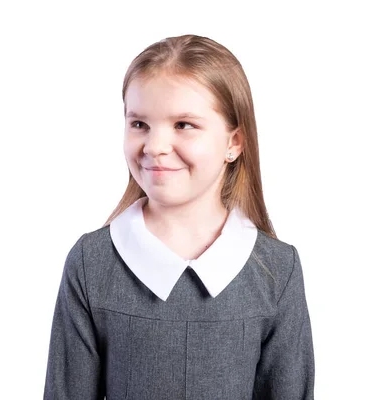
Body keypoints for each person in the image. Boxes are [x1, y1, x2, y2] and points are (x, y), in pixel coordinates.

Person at [43, 34, 315, 400]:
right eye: (139, 124)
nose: (154, 146)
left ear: (234, 143)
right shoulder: (92, 264)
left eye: (184, 124)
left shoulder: (276, 271)